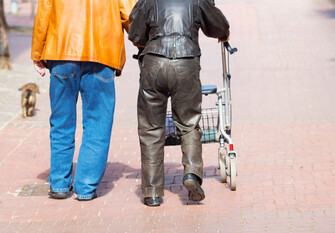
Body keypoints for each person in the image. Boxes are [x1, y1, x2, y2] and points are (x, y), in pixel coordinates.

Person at [128, 0, 230, 206]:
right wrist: (224, 34)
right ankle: (192, 173)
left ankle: (152, 193)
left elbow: (135, 34)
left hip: (154, 62)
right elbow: (219, 25)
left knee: (151, 129)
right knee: (189, 124)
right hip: (186, 62)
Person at [31, 0, 136, 201]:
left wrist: (37, 53)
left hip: (62, 51)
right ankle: (86, 186)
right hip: (101, 54)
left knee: (61, 120)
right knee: (98, 122)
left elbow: (44, 12)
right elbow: (130, 13)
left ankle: (60, 184)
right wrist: (144, 41)